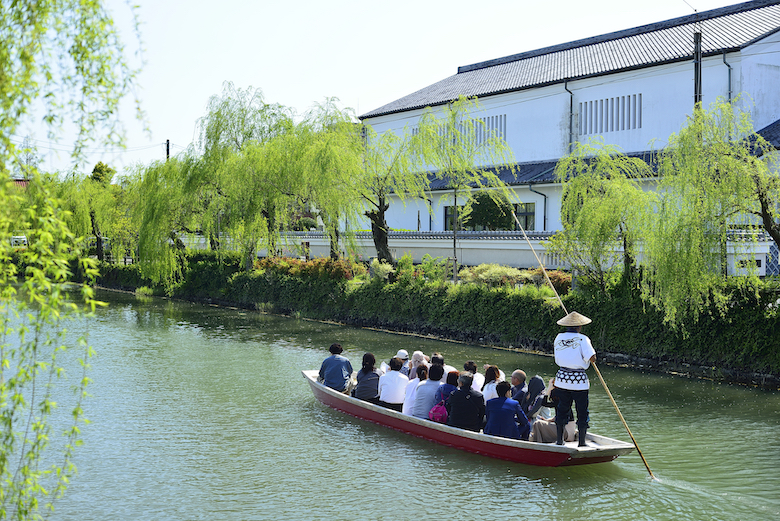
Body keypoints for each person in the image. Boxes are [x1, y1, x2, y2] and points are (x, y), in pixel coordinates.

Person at [551, 311, 596, 446]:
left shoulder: (558, 337)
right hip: (578, 382)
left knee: (562, 409)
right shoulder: (583, 339)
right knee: (582, 411)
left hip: (562, 379)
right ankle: (581, 442)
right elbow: (592, 358)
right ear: (579, 326)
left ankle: (560, 440)